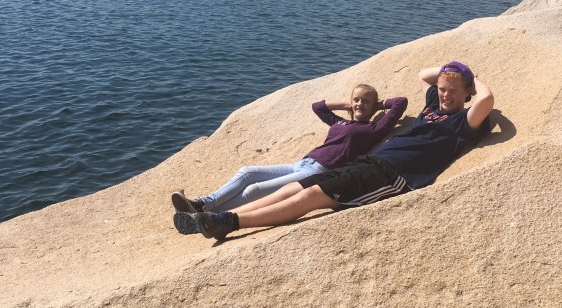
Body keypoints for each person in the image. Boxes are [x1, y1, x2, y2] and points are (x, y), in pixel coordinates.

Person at [174, 61, 493, 240]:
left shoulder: (463, 122)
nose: (445, 94)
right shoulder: (433, 105)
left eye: (453, 91)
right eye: (443, 89)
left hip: (394, 175)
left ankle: (229, 223)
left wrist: (472, 78)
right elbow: (425, 75)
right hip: (371, 161)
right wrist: (452, 71)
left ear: (466, 93)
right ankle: (213, 217)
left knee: (312, 197)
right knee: (294, 187)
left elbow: (486, 100)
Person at [171, 84, 408, 214]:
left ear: (373, 106)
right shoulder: (340, 123)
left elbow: (400, 103)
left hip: (318, 171)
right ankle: (204, 203)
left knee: (256, 190)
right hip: (302, 163)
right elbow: (318, 107)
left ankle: (208, 213)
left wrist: (379, 104)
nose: (359, 104)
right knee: (247, 172)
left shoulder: (373, 128)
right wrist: (348, 104)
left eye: (365, 101)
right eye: (356, 99)